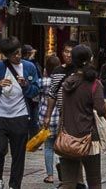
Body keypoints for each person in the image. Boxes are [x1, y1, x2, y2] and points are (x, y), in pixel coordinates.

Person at [0, 37, 40, 189]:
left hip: (21, 115)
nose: (17, 56)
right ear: (6, 55)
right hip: (0, 115)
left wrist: (26, 85)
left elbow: (36, 90)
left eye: (18, 52)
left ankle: (14, 185)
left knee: (18, 154)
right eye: (13, 54)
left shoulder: (29, 67)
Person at [58, 45, 106, 189]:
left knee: (68, 183)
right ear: (90, 59)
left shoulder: (67, 83)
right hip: (89, 137)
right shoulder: (95, 84)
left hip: (67, 136)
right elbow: (100, 110)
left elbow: (63, 107)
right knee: (94, 180)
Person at [38, 55, 62, 185]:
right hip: (60, 118)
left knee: (48, 147)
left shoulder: (42, 82)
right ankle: (61, 167)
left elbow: (35, 94)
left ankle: (50, 175)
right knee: (61, 146)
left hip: (46, 118)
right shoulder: (62, 81)